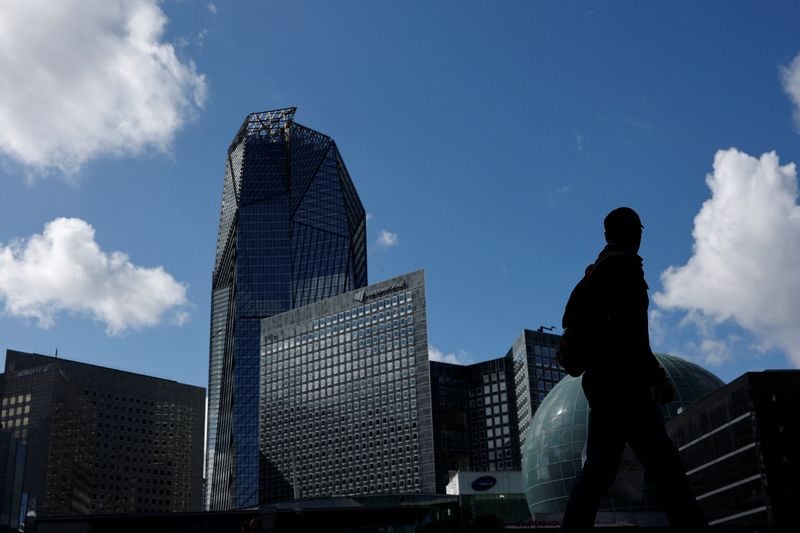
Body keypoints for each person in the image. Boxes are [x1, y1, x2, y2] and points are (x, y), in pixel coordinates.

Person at [560, 207, 707, 531]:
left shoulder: (593, 273)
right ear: (638, 235)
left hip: (600, 383)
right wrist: (656, 377)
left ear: (606, 235)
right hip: (626, 383)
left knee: (600, 467)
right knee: (665, 467)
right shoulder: (625, 268)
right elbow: (632, 333)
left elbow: (578, 321)